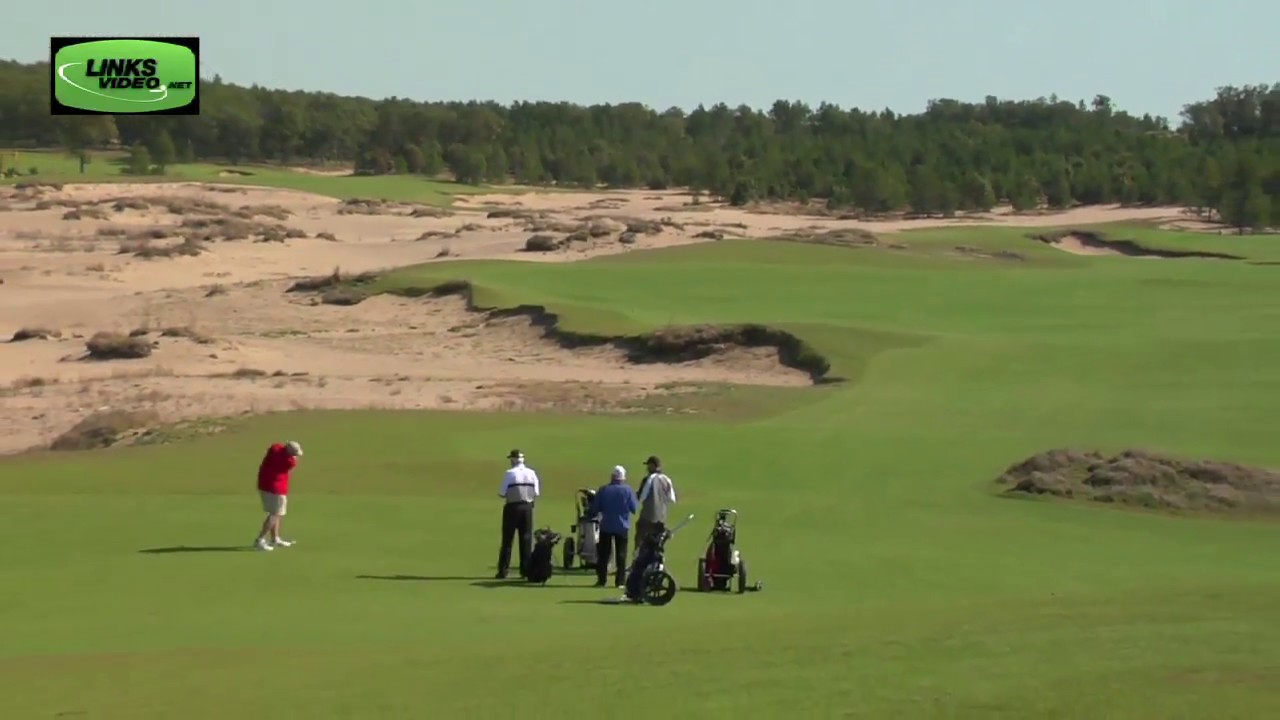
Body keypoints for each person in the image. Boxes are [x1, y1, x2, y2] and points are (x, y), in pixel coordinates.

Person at [588, 465, 638, 588]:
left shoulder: (604, 490)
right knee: (621, 555)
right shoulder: (628, 490)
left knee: (603, 555)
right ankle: (620, 581)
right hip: (622, 526)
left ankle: (602, 580)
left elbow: (595, 508)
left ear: (612, 477)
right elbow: (634, 508)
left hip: (606, 526)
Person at [496, 448, 540, 579]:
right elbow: (536, 492)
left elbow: (502, 493)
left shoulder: (510, 473)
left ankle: (503, 570)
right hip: (527, 508)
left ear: (514, 460)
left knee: (507, 540)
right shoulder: (532, 473)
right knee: (526, 539)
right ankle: (525, 570)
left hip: (512, 507)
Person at [255, 440, 302, 551]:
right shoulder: (290, 462)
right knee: (275, 514)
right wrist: (293, 457)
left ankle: (275, 538)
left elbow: (276, 446)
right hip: (276, 488)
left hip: (264, 485)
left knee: (277, 513)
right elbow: (292, 463)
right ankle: (260, 539)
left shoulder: (275, 449)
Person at [634, 455, 676, 560]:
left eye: (648, 465)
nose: (647, 468)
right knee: (658, 543)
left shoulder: (648, 479)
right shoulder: (667, 480)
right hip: (661, 518)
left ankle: (637, 563)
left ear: (653, 466)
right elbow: (671, 499)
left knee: (640, 541)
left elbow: (641, 497)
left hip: (647, 517)